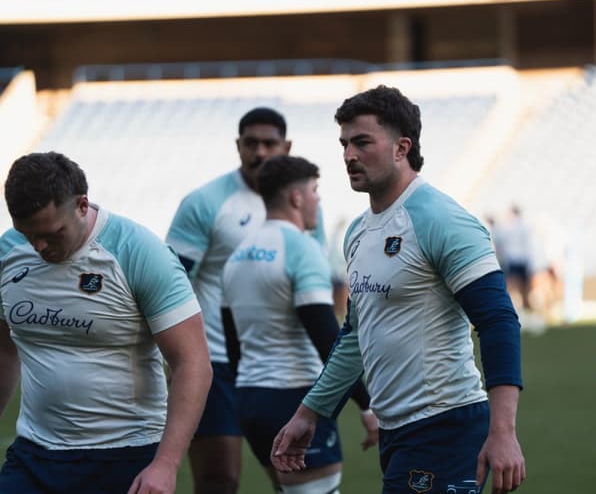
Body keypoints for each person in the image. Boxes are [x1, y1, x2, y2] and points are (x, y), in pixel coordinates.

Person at [271, 85, 526, 493]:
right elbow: (355, 336)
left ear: (400, 147)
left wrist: (503, 431)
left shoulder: (441, 220)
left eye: (362, 142)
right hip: (397, 431)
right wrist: (310, 412)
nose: (349, 155)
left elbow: (498, 321)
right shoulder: (357, 232)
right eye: (344, 144)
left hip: (446, 427)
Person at [0, 152, 212, 493]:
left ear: (82, 205)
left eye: (52, 233)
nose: (39, 246)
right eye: (28, 234)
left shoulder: (138, 251)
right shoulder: (8, 252)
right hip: (34, 456)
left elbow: (194, 363)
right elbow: (3, 350)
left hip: (126, 456)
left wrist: (165, 464)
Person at [222, 155, 378, 493]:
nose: (317, 199)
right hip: (295, 398)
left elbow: (232, 342)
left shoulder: (238, 254)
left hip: (251, 399)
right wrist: (367, 405)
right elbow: (327, 339)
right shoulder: (302, 250)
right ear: (296, 197)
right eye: (314, 190)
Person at [166, 106, 294, 493]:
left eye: (269, 144)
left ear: (286, 147)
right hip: (215, 363)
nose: (259, 152)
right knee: (218, 479)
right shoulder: (206, 202)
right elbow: (170, 283)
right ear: (237, 146)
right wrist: (173, 356)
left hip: (276, 363)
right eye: (250, 143)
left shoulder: (302, 205)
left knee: (292, 477)